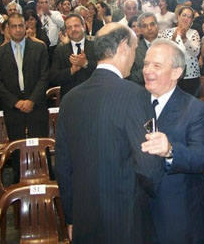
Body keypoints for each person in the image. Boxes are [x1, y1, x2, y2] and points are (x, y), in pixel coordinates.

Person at [55, 23, 164, 243]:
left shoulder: (69, 99)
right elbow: (148, 165)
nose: (135, 57)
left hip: (84, 215)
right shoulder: (135, 95)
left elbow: (63, 167)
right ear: (123, 46)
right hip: (126, 218)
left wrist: (70, 218)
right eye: (134, 49)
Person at [142, 38, 204, 243]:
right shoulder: (134, 103)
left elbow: (203, 158)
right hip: (140, 213)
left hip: (180, 215)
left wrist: (170, 151)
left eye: (156, 65)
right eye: (146, 64)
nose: (148, 71)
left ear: (176, 72)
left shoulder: (195, 110)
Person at [0, 12, 49, 183]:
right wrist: (15, 102)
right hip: (13, 106)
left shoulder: (39, 48)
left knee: (40, 145)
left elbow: (45, 77)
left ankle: (46, 177)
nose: (18, 29)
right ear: (7, 29)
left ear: (26, 27)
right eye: (14, 26)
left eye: (21, 26)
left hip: (36, 103)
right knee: (16, 146)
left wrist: (31, 100)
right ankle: (18, 181)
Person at [50, 13, 96, 99]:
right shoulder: (60, 50)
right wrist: (71, 70)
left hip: (93, 96)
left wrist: (86, 63)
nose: (73, 29)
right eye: (69, 27)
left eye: (76, 26)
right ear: (66, 31)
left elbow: (103, 70)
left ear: (84, 27)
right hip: (69, 98)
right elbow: (54, 77)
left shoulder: (95, 46)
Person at [161, 6, 201, 97]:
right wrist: (175, 36)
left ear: (192, 20)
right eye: (184, 15)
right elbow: (164, 51)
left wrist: (185, 39)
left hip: (191, 75)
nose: (186, 18)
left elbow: (196, 52)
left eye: (189, 17)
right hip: (172, 75)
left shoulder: (194, 33)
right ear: (178, 17)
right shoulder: (167, 32)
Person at [129, 12, 159, 85]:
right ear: (141, 30)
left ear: (157, 26)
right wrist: (150, 71)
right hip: (144, 91)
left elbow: (182, 69)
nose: (149, 28)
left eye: (152, 24)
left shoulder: (169, 45)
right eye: (145, 26)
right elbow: (130, 76)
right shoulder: (134, 49)